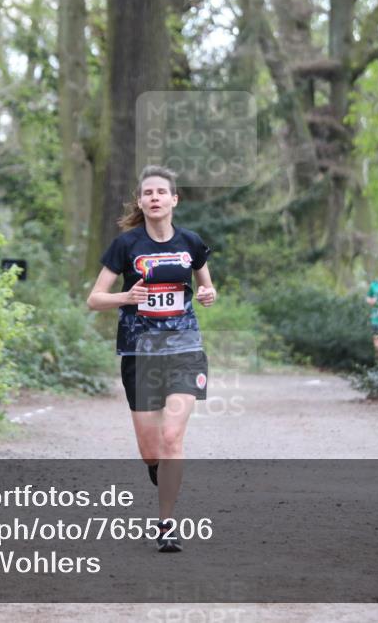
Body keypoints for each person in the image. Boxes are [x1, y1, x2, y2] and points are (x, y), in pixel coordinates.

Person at [87, 165, 216, 553]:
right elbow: (94, 299)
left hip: (184, 349)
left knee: (172, 437)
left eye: (162, 192)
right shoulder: (126, 245)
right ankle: (158, 470)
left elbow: (206, 286)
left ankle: (166, 525)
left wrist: (209, 294)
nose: (155, 198)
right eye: (148, 193)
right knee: (151, 451)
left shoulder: (191, 242)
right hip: (139, 352)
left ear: (174, 199)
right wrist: (125, 298)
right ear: (141, 202)